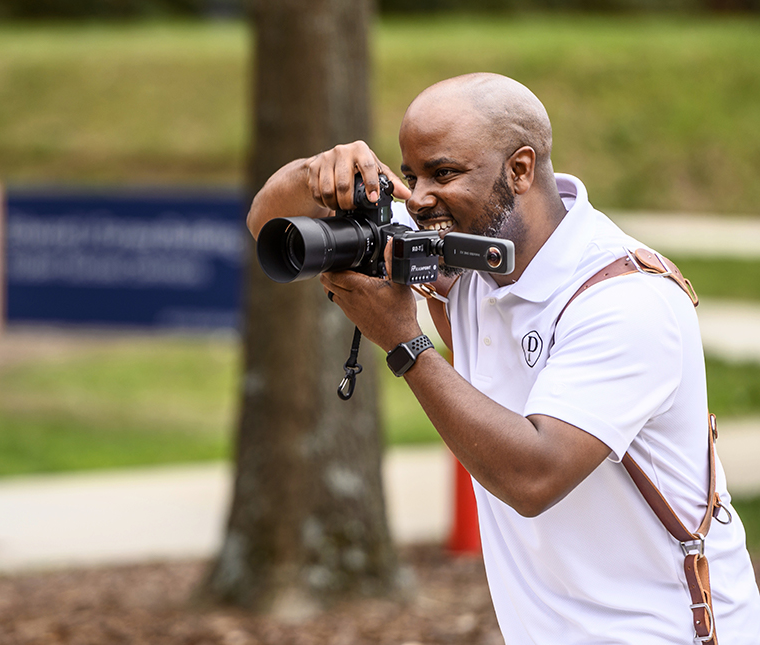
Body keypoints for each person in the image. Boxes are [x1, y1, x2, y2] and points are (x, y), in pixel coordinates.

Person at [246, 73, 760, 644]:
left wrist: (404, 343)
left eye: (442, 173)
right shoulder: (464, 251)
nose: (417, 199)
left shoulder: (626, 299)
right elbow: (266, 223)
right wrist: (316, 172)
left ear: (519, 170)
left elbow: (533, 476)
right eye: (410, 174)